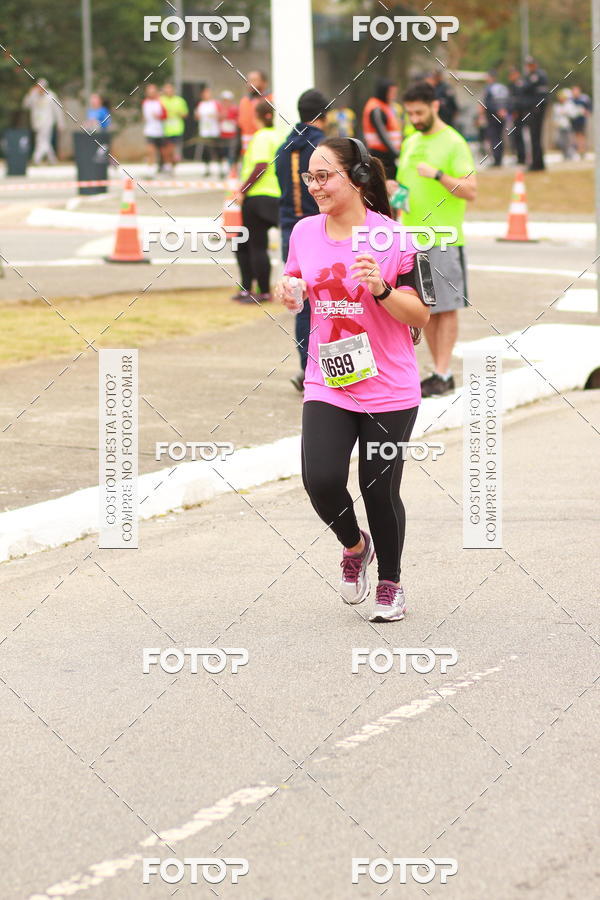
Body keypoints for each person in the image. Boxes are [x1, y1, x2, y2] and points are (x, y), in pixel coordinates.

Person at [274, 137, 431, 622]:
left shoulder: (397, 239)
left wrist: (381, 289)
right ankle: (355, 545)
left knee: (378, 489)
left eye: (324, 176)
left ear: (357, 178)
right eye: (310, 177)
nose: (314, 186)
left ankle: (390, 583)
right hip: (328, 378)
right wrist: (291, 292)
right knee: (320, 480)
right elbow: (297, 281)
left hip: (389, 386)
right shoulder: (304, 232)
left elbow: (421, 315)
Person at [395, 81, 476, 397]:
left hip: (444, 238)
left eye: (419, 112)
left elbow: (470, 190)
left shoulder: (454, 142)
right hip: (412, 238)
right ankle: (437, 372)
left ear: (435, 106)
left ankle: (444, 371)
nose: (414, 119)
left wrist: (439, 175)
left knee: (446, 307)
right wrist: (394, 192)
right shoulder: (410, 141)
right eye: (410, 113)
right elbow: (405, 188)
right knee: (425, 307)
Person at [275, 88, 329, 393]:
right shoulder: (323, 148)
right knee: (332, 298)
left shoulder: (283, 148)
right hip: (320, 229)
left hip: (290, 229)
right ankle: (326, 369)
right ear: (325, 114)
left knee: (301, 300)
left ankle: (306, 368)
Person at [232, 100, 282, 304]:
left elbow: (261, 166)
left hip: (258, 197)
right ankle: (249, 288)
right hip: (277, 195)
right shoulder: (279, 136)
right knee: (243, 243)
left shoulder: (261, 137)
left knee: (256, 245)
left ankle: (262, 291)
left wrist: (243, 190)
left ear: (256, 117)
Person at [362, 79, 401, 179]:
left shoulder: (386, 106)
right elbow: (382, 134)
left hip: (388, 154)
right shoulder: (376, 108)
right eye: (392, 93)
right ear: (384, 92)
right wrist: (396, 153)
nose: (394, 96)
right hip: (381, 155)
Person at [22, 78, 63, 164]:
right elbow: (25, 105)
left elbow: (57, 110)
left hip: (47, 122)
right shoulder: (33, 95)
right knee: (44, 141)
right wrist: (29, 94)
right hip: (37, 123)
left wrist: (60, 123)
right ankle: (52, 160)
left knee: (41, 140)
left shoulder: (51, 96)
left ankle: (36, 158)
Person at [237, 70, 272, 159]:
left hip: (265, 151)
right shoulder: (244, 101)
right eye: (249, 80)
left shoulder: (271, 99)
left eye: (254, 80)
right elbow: (239, 128)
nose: (250, 83)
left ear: (264, 83)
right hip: (247, 153)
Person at [522, 56, 549, 171]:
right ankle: (538, 162)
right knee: (534, 137)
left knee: (535, 136)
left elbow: (526, 88)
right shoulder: (532, 76)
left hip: (536, 110)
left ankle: (537, 164)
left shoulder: (538, 75)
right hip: (533, 109)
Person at [161, 82, 189, 171]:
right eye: (166, 89)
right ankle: (171, 164)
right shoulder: (161, 100)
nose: (168, 91)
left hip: (176, 129)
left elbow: (185, 114)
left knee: (170, 149)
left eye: (170, 89)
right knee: (165, 150)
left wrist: (179, 113)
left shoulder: (180, 101)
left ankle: (169, 166)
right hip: (164, 129)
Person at [483, 71, 509, 167]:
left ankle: (497, 159)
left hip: (493, 117)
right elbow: (509, 101)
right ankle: (499, 158)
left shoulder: (489, 88)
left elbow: (488, 103)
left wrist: (497, 111)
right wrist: (505, 111)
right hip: (503, 116)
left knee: (494, 137)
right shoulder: (503, 88)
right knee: (500, 137)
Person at [195, 86, 221, 173]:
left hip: (214, 130)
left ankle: (220, 168)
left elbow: (220, 115)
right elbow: (197, 117)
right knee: (206, 151)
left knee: (215, 150)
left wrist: (214, 116)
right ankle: (207, 168)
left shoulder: (215, 103)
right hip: (204, 131)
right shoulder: (201, 104)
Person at [142, 83, 167, 174]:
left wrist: (159, 116)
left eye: (153, 91)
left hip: (160, 130)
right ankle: (150, 169)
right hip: (150, 130)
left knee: (162, 151)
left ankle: (163, 166)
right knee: (150, 151)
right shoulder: (145, 102)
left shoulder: (160, 102)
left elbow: (165, 115)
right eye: (149, 92)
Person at [507, 66, 527, 165]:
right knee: (516, 136)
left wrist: (516, 111)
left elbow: (520, 101)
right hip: (514, 115)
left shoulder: (520, 85)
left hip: (520, 115)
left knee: (521, 135)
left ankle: (523, 157)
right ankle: (519, 157)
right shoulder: (512, 86)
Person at [218, 90, 239, 172]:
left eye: (227, 100)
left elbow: (238, 120)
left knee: (231, 153)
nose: (225, 102)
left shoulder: (234, 109)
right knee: (222, 153)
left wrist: (229, 119)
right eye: (224, 100)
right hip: (222, 135)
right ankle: (222, 170)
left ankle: (231, 170)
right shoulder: (220, 108)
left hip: (232, 135)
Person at [553, 90, 577, 160]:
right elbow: (555, 116)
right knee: (561, 142)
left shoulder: (569, 105)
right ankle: (564, 155)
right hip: (560, 126)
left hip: (568, 126)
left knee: (569, 141)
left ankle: (570, 155)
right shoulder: (556, 106)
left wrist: (566, 113)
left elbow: (573, 114)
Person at [570, 85, 592, 159]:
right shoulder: (571, 99)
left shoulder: (584, 99)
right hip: (573, 120)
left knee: (581, 135)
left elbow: (589, 108)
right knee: (576, 135)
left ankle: (582, 150)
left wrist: (587, 112)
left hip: (581, 120)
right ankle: (578, 150)